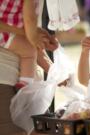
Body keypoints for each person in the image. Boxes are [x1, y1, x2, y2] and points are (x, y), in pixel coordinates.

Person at [0, 0, 58, 134]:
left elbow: (32, 40)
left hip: (28, 85)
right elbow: (30, 34)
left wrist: (54, 71)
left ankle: (25, 83)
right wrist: (29, 32)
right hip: (4, 81)